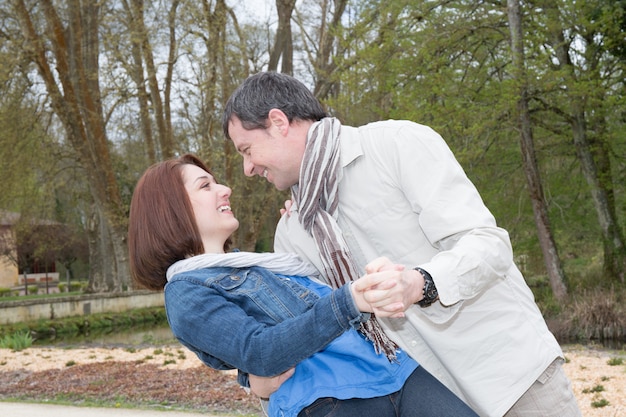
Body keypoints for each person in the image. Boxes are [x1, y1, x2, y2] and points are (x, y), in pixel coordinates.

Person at [222, 71, 582, 417]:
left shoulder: (397, 145)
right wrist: (257, 379)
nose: (247, 169)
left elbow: (489, 245)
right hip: (429, 404)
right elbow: (310, 333)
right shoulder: (293, 233)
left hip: (511, 378)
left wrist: (421, 282)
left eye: (247, 149)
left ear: (278, 122)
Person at [127, 154, 479, 417]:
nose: (225, 188)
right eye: (205, 185)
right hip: (329, 399)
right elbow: (259, 352)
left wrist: (304, 226)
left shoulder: (266, 264)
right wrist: (349, 303)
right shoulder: (186, 291)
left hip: (396, 372)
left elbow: (318, 293)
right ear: (170, 210)